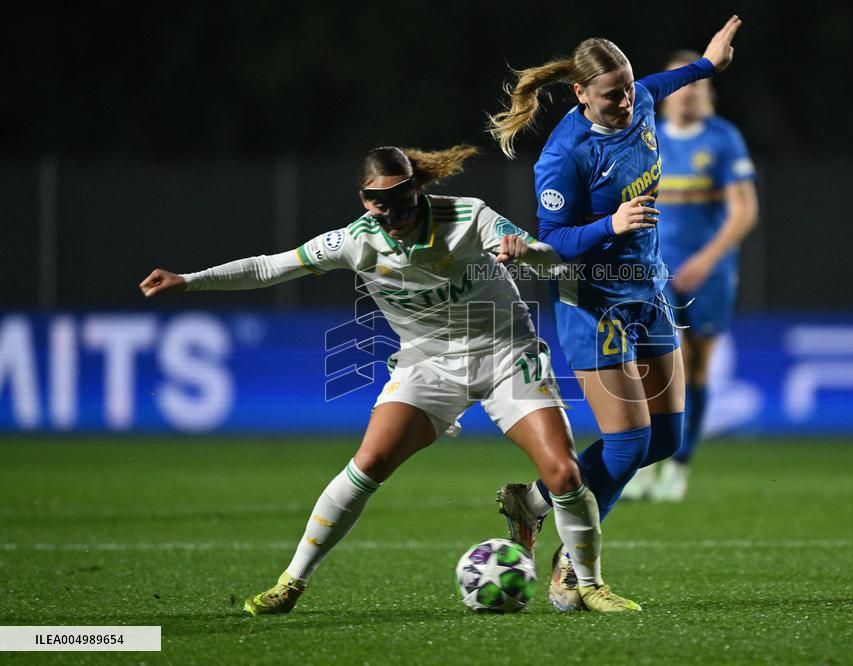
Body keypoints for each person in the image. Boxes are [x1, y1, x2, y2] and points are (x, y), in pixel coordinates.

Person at [138, 145, 641, 613]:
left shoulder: (467, 217)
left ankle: (590, 585)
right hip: (427, 365)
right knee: (369, 462)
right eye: (383, 210)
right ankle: (291, 582)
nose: (396, 221)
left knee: (564, 474)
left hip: (505, 353)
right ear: (365, 201)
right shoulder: (355, 242)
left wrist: (526, 252)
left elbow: (550, 258)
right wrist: (189, 280)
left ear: (416, 192)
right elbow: (273, 267)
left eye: (403, 207)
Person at [487, 16, 742, 610]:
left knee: (666, 439)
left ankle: (536, 502)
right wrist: (612, 224)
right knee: (629, 445)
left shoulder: (643, 101)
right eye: (612, 93)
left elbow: (664, 81)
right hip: (592, 304)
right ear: (580, 95)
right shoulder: (563, 157)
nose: (626, 100)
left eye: (628, 86)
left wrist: (707, 65)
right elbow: (551, 241)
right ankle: (572, 570)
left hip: (648, 294)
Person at [621, 50, 759, 502]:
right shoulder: (646, 137)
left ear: (708, 94)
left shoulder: (722, 138)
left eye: (696, 87)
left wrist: (707, 259)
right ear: (663, 97)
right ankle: (645, 463)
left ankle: (679, 466)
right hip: (653, 270)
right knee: (655, 366)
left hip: (710, 272)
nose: (687, 96)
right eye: (680, 87)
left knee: (696, 369)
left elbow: (744, 210)